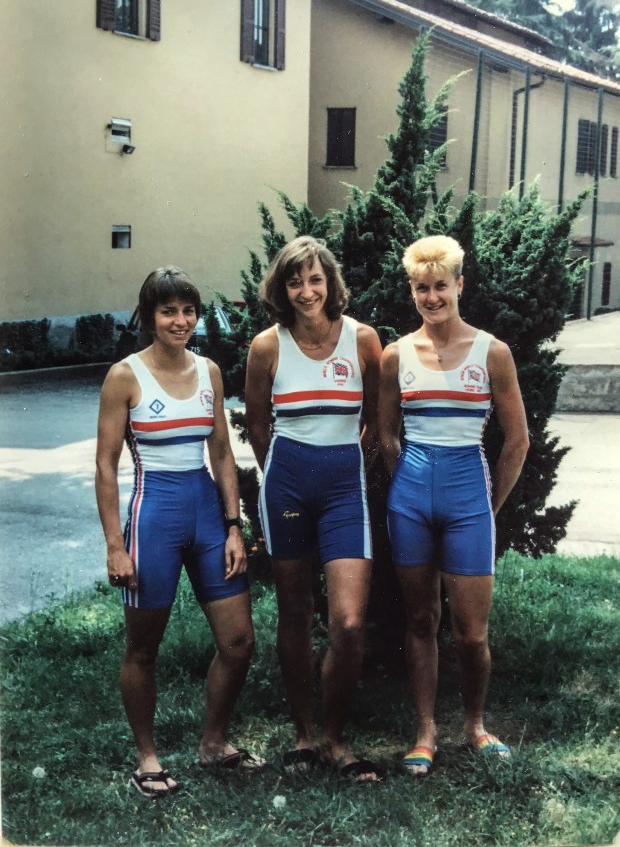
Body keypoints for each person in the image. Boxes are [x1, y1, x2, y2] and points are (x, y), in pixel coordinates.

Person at [95, 266, 263, 799]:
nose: (181, 321)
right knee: (143, 648)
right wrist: (115, 546)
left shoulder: (209, 370)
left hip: (207, 513)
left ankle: (213, 742)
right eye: (168, 311)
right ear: (150, 317)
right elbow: (105, 466)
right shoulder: (125, 376)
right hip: (155, 517)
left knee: (238, 642)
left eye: (188, 311)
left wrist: (233, 526)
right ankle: (147, 758)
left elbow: (222, 453)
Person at [378, 235, 530, 776]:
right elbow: (386, 434)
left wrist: (489, 506)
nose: (432, 297)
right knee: (421, 619)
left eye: (441, 286)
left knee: (471, 633)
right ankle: (425, 733)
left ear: (459, 285)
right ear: (412, 291)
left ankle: (475, 726)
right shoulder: (396, 354)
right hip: (411, 500)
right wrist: (404, 485)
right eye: (422, 288)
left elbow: (517, 441)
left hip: (469, 497)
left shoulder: (492, 352)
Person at [245, 236, 383, 782]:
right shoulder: (267, 346)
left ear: (331, 283)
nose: (306, 291)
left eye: (315, 279)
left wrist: (349, 466)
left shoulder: (363, 339)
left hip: (345, 487)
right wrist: (284, 476)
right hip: (286, 487)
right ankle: (304, 735)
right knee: (296, 612)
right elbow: (258, 428)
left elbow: (376, 420)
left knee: (348, 621)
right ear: (282, 289)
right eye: (295, 281)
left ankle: (335, 738)